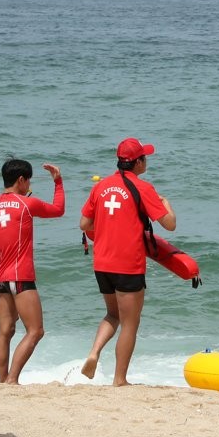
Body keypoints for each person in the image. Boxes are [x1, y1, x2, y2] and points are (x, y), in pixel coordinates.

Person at [79, 137, 176, 385]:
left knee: (112, 314)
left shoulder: (101, 186)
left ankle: (93, 352)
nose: (147, 161)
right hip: (128, 264)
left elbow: (84, 225)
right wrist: (166, 204)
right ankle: (119, 379)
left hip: (102, 263)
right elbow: (170, 224)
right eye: (145, 157)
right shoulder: (144, 188)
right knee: (130, 323)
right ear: (138, 162)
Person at [0, 157, 65, 384]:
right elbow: (58, 210)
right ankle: (12, 380)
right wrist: (58, 182)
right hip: (21, 278)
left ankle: (2, 380)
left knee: (5, 331)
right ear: (21, 180)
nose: (29, 187)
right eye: (29, 182)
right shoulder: (27, 204)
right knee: (35, 331)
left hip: (3, 280)